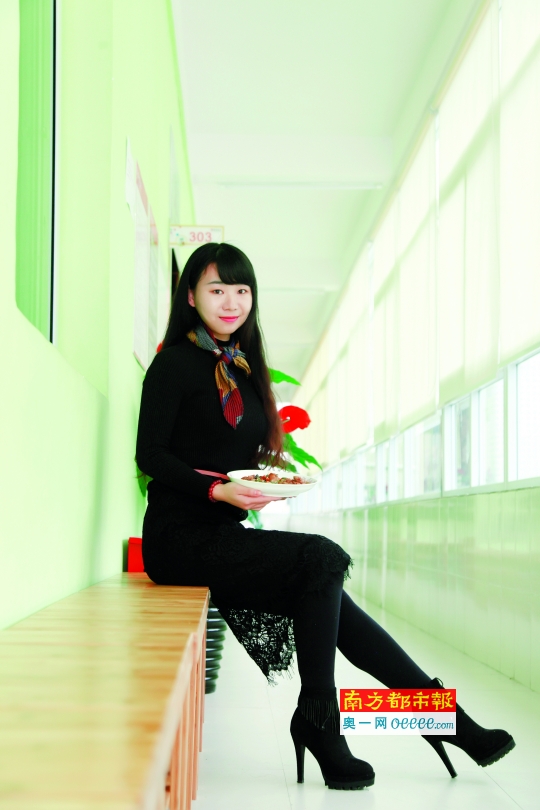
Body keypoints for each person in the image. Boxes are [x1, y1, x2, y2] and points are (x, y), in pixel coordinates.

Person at [136, 242, 515, 790]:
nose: (231, 302)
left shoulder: (243, 368)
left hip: (222, 533)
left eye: (242, 290)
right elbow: (151, 456)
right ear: (191, 296)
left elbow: (232, 455)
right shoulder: (172, 364)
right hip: (177, 540)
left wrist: (260, 484)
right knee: (321, 558)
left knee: (330, 597)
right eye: (217, 290)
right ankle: (324, 720)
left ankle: (444, 720)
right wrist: (217, 491)